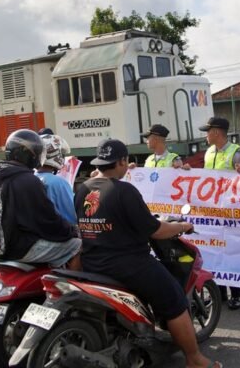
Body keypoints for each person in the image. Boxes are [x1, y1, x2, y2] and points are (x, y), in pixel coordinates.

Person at [75, 139, 221, 368]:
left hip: (92, 263)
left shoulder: (84, 188)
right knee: (175, 300)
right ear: (123, 161)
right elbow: (157, 230)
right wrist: (182, 227)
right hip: (129, 265)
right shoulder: (124, 190)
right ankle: (195, 360)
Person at [0, 129, 81, 268]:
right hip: (19, 247)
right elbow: (48, 220)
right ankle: (70, 286)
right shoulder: (30, 180)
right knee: (78, 245)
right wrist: (73, 231)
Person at [200, 116, 240, 310]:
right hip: (211, 213)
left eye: (208, 131)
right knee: (214, 251)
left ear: (217, 132)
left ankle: (237, 294)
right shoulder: (209, 152)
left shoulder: (237, 152)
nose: (205, 135)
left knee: (232, 252)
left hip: (230, 213)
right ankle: (220, 293)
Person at [36, 133, 77, 225]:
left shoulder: (30, 178)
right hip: (56, 233)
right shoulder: (59, 183)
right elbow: (73, 214)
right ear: (55, 154)